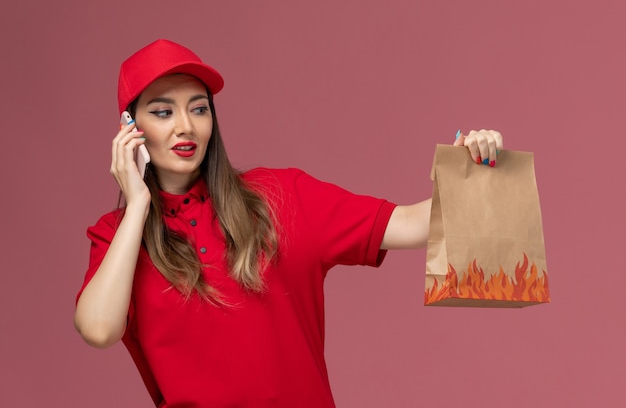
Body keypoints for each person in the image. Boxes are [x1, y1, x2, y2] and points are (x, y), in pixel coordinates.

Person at [74, 39, 503, 408]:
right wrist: (137, 206)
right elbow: (98, 329)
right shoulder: (116, 236)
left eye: (199, 108)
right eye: (163, 112)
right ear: (130, 128)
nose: (186, 126)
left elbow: (410, 224)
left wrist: (471, 171)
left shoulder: (281, 197)